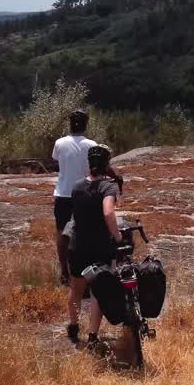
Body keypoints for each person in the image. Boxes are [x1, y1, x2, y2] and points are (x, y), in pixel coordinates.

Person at [65, 144, 122, 346]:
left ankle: (73, 327)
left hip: (77, 245)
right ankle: (92, 336)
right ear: (107, 164)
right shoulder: (108, 186)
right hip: (99, 248)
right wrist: (117, 236)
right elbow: (108, 212)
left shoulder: (77, 186)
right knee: (99, 291)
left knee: (76, 289)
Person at [52, 110, 97, 285]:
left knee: (62, 234)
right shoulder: (92, 144)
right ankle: (87, 272)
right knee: (86, 232)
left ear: (70, 124)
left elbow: (57, 160)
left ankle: (64, 272)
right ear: (86, 124)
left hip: (63, 194)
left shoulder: (59, 143)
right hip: (85, 194)